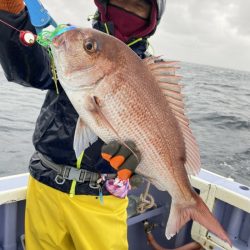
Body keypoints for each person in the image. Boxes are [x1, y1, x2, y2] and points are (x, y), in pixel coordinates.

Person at [0, 0, 166, 249]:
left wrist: (137, 166)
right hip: (45, 184)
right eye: (121, 1)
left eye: (137, 6)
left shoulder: (153, 76)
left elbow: (162, 138)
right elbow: (33, 70)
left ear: (152, 17)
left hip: (103, 198)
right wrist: (11, 11)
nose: (127, 10)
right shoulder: (73, 42)